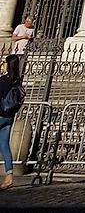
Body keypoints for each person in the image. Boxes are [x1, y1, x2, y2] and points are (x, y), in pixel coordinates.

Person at [0, 56, 25, 190]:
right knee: (4, 145)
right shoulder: (17, 81)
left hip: (0, 115)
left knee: (4, 145)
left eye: (4, 62)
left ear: (8, 65)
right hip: (9, 116)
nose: (2, 64)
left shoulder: (3, 80)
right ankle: (9, 177)